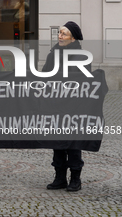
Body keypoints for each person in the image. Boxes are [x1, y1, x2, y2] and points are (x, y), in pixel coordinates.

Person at [43, 21, 90, 192]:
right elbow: (44, 76)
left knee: (73, 143)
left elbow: (85, 82)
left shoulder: (82, 56)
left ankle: (75, 179)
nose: (60, 36)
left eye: (64, 33)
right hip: (55, 106)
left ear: (73, 37)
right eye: (59, 33)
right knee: (58, 142)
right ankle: (60, 178)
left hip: (74, 107)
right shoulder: (52, 54)